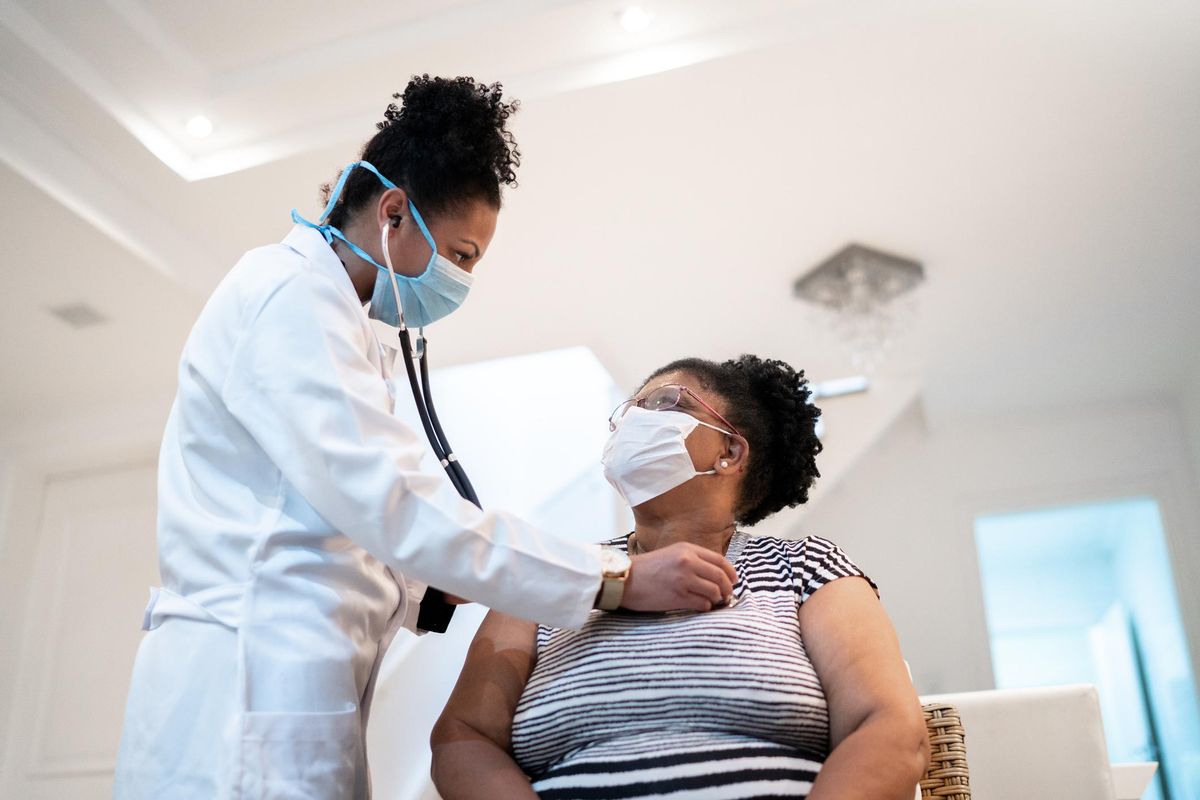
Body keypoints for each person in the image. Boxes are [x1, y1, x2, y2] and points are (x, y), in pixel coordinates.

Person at [113, 76, 736, 799]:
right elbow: (396, 505)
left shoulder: (344, 327)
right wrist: (612, 579)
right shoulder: (288, 300)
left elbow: (350, 521)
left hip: (295, 683)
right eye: (462, 255)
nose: (462, 280)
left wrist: (436, 591)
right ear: (394, 212)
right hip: (242, 691)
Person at [432, 355, 930, 800]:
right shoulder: (548, 569)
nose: (633, 422)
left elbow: (888, 729)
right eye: (629, 411)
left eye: (665, 403)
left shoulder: (805, 567)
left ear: (730, 452)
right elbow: (463, 737)